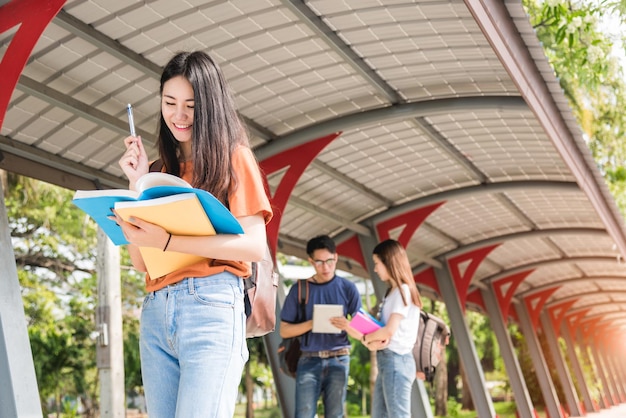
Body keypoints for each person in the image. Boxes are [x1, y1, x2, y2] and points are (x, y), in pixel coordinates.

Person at [113, 51, 272, 418]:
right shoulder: (157, 170)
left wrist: (169, 241)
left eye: (191, 105)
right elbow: (142, 262)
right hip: (156, 310)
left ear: (211, 106)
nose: (179, 115)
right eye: (170, 102)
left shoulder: (234, 158)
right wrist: (135, 184)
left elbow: (253, 245)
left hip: (211, 304)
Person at [279, 235, 362, 418]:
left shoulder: (349, 288)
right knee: (303, 414)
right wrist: (312, 323)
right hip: (308, 360)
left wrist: (347, 325)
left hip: (339, 359)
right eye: (319, 262)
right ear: (310, 261)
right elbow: (284, 330)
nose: (325, 267)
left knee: (335, 414)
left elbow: (362, 332)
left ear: (336, 258)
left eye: (329, 261)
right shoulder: (299, 290)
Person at [360, 239, 422, 418]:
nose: (375, 269)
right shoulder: (393, 292)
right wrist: (372, 341)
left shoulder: (403, 290)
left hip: (396, 361)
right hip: (388, 361)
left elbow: (389, 331)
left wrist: (366, 339)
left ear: (389, 262)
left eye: (377, 263)